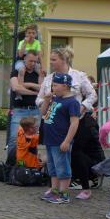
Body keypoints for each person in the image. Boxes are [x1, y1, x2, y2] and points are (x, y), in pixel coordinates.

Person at [39, 73, 81, 204]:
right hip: (50, 140)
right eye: (53, 85)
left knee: (62, 168)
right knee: (52, 168)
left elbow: (74, 123)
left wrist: (67, 141)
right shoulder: (55, 98)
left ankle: (64, 194)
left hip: (60, 140)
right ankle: (54, 191)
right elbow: (43, 113)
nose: (53, 88)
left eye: (55, 85)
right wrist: (46, 100)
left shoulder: (72, 102)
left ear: (65, 86)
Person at [8, 50, 43, 151]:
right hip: (20, 110)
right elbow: (16, 88)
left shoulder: (38, 73)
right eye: (30, 61)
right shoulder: (16, 72)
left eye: (35, 61)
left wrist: (26, 85)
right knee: (14, 138)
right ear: (24, 59)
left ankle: (29, 160)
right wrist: (35, 92)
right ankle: (12, 160)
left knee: (32, 140)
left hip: (35, 110)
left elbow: (43, 88)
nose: (33, 63)